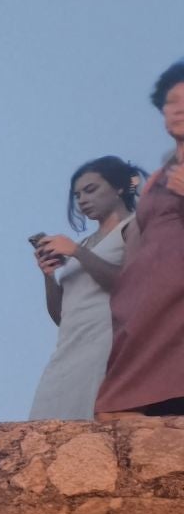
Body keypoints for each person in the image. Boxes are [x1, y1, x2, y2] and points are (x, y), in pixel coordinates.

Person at [97, 60, 184, 419]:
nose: (178, 109)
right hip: (148, 294)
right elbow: (138, 241)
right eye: (171, 102)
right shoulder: (158, 177)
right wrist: (127, 291)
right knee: (121, 405)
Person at [27, 159, 142, 420]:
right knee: (46, 423)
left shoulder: (133, 227)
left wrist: (77, 252)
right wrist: (49, 276)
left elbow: (128, 285)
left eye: (91, 190)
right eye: (77, 195)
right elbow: (62, 316)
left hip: (106, 343)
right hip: (70, 347)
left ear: (119, 188)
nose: (82, 200)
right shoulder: (84, 243)